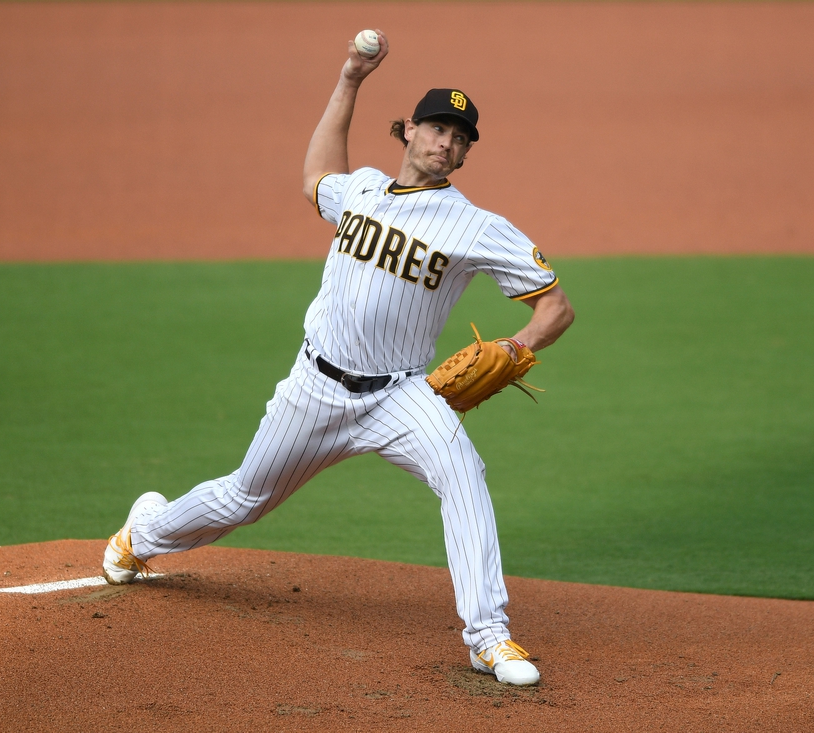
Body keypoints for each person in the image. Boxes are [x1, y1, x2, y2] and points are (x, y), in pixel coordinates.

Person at [102, 30, 574, 687]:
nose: (448, 142)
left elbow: (555, 308)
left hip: (402, 396)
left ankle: (489, 636)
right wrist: (350, 79)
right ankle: (142, 533)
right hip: (314, 389)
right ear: (408, 130)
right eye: (439, 128)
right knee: (246, 496)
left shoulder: (476, 225)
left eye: (461, 137)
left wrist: (513, 348)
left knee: (464, 470)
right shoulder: (362, 189)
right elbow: (315, 178)